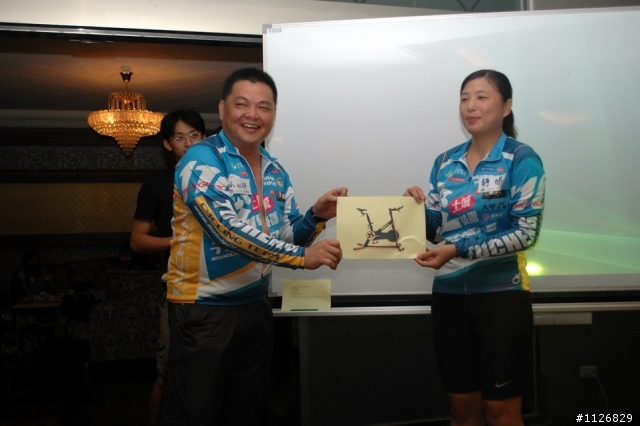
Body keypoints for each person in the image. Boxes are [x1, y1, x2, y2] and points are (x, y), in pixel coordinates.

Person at [159, 67, 347, 426]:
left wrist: (315, 216)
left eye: (264, 106)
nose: (253, 114)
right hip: (204, 310)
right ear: (222, 108)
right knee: (196, 414)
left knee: (246, 413)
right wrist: (302, 258)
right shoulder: (200, 159)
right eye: (242, 104)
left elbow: (284, 235)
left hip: (255, 307)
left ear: (273, 114)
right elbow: (226, 231)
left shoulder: (276, 170)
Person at [404, 70, 545, 426]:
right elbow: (436, 230)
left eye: (482, 97)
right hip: (449, 297)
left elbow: (525, 234)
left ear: (506, 106)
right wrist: (412, 212)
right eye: (465, 98)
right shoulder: (445, 162)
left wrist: (457, 250)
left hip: (502, 296)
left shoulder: (522, 159)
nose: (471, 106)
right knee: (461, 409)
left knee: (501, 411)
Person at [129, 109, 206, 426]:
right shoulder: (157, 185)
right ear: (167, 144)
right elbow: (137, 240)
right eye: (179, 137)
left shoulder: (224, 181)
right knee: (168, 374)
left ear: (204, 139)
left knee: (211, 375)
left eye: (194, 135)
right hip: (178, 291)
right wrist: (180, 241)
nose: (188, 143)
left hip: (222, 291)